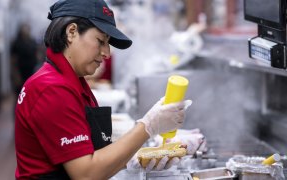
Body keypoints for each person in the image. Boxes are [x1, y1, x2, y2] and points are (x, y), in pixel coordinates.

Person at [14, 0, 192, 179]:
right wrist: (148, 126)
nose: (107, 52)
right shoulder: (51, 89)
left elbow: (89, 152)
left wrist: (129, 158)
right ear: (72, 32)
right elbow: (86, 174)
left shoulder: (72, 82)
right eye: (100, 41)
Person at [10, 23, 38, 98]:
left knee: (30, 94)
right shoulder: (16, 42)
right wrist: (16, 75)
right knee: (19, 94)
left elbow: (36, 54)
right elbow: (13, 59)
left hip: (30, 72)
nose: (27, 30)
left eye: (28, 28)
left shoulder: (32, 41)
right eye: (25, 28)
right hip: (20, 73)